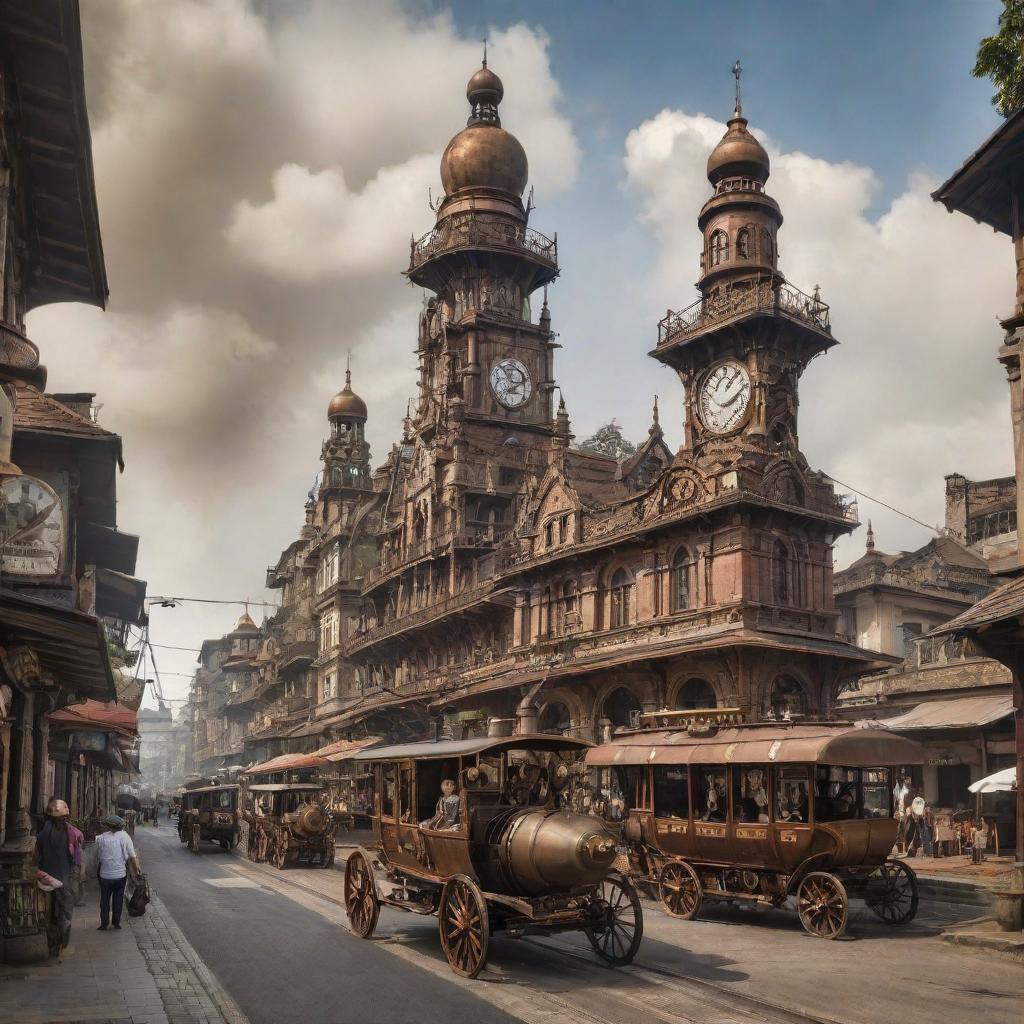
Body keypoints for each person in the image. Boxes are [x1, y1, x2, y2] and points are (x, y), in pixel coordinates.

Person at [34, 798, 80, 955]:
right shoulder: (68, 831)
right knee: (62, 910)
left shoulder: (46, 831)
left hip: (49, 877)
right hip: (61, 877)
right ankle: (59, 941)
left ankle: (54, 942)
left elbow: (38, 847)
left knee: (52, 912)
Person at [94, 814, 140, 931]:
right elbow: (133, 857)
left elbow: (98, 856)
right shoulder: (125, 837)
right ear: (121, 826)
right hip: (120, 875)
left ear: (109, 826)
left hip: (104, 875)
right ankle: (116, 923)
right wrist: (136, 871)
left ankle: (104, 924)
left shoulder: (101, 838)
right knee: (118, 899)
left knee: (104, 899)